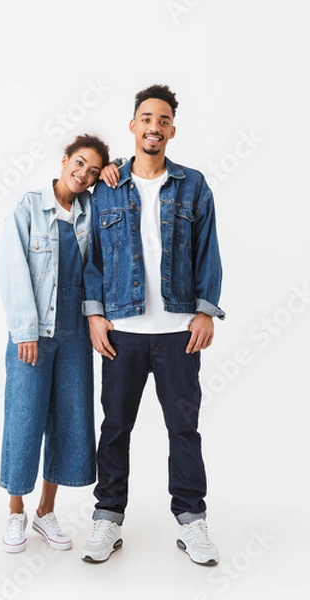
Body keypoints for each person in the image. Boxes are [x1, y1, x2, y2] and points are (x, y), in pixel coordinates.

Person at [81, 85, 225, 565]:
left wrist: (205, 310)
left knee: (184, 428)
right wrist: (95, 315)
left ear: (172, 130)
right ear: (132, 125)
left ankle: (192, 520)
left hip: (179, 332)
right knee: (115, 426)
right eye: (146, 118)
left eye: (163, 121)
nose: (154, 127)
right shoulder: (107, 185)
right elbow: (94, 260)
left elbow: (209, 251)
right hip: (122, 330)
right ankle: (107, 518)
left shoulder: (193, 184)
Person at [0, 133, 109, 553]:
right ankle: (15, 512)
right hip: (34, 334)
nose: (84, 174)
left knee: (68, 419)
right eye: (79, 164)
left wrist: (111, 171)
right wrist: (24, 329)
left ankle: (46, 511)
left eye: (93, 171)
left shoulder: (89, 212)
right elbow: (13, 267)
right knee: (24, 418)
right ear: (64, 160)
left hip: (75, 335)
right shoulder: (29, 206)